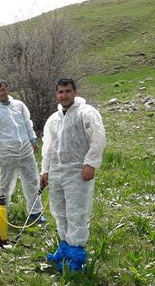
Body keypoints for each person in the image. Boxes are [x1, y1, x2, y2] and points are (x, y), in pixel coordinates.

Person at [40, 77, 107, 272]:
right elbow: (48, 147)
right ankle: (65, 248)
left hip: (78, 172)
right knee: (60, 213)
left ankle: (77, 257)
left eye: (68, 91)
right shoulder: (54, 118)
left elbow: (98, 138)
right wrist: (45, 170)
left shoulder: (86, 113)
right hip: (57, 172)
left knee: (76, 213)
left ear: (75, 92)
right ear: (56, 94)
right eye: (60, 92)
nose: (64, 95)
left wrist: (91, 163)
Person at [0, 79, 45, 222]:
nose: (1, 93)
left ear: (8, 89)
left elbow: (27, 123)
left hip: (25, 149)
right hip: (7, 152)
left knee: (32, 181)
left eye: (3, 89)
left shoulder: (19, 106)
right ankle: (0, 212)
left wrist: (33, 140)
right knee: (5, 183)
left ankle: (35, 213)